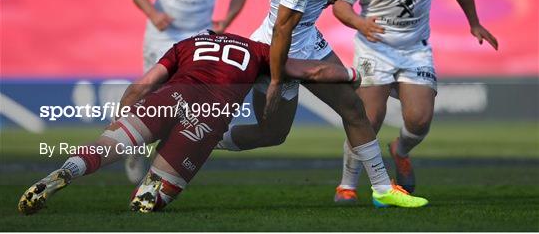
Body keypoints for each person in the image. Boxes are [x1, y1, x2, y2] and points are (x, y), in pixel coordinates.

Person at [215, 0, 428, 208]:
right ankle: (204, 140)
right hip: (278, 52)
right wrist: (275, 78)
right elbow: (282, 29)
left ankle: (382, 188)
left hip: (308, 43)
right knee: (270, 133)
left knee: (352, 108)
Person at [18, 31, 363, 214]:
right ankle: (150, 190)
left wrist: (122, 116)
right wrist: (351, 73)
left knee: (103, 148)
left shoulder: (187, 45)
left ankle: (68, 170)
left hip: (169, 98)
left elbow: (144, 85)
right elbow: (313, 70)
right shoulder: (256, 51)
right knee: (153, 199)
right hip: (206, 118)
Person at [332, 0, 498, 202]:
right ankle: (347, 185)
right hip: (375, 48)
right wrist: (360, 23)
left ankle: (401, 150)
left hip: (415, 50)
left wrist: (474, 22)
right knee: (369, 117)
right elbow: (340, 6)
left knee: (419, 120)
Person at [125, 0, 248, 182]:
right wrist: (153, 14)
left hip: (199, 36)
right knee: (149, 92)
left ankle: (161, 162)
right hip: (163, 33)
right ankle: (133, 147)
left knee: (187, 99)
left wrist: (227, 19)